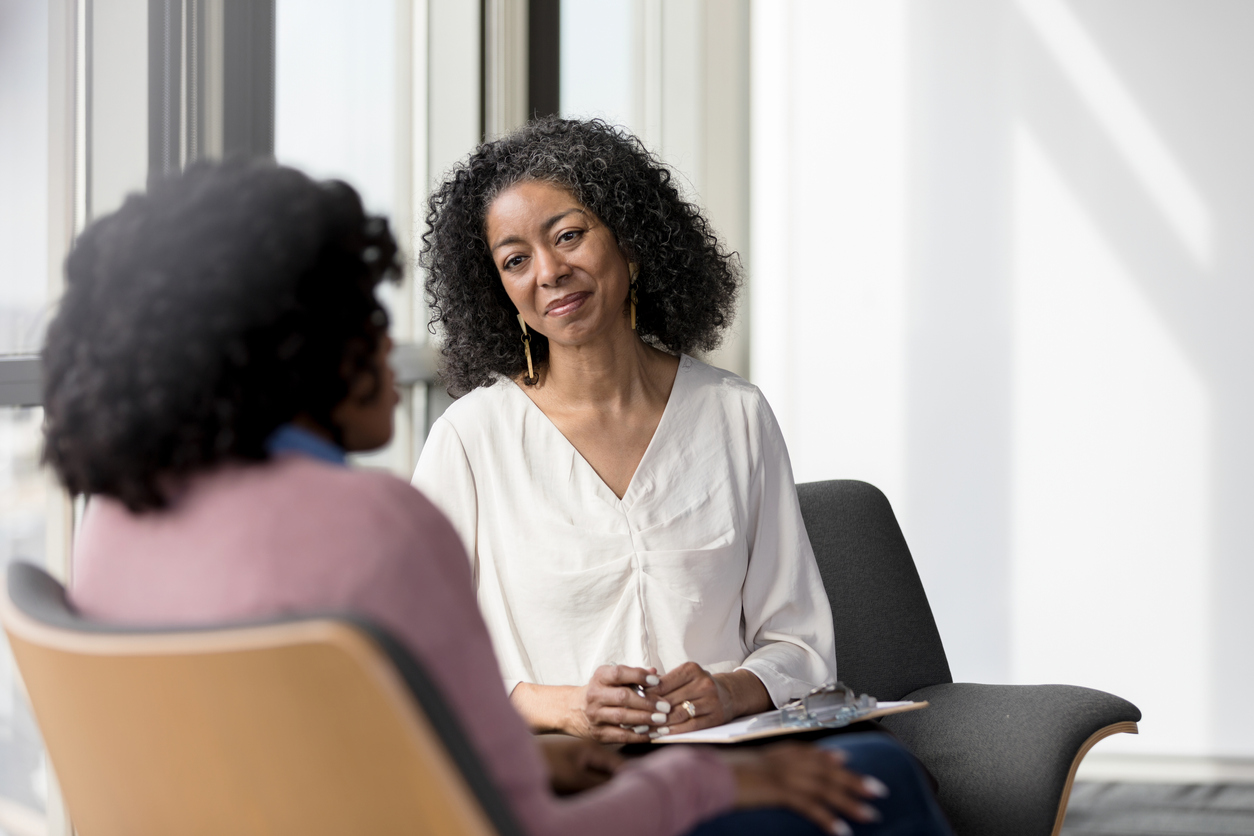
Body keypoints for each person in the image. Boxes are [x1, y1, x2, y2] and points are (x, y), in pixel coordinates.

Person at [42, 160, 952, 836]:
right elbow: (508, 815)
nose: (396, 354)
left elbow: (398, 739)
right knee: (875, 779)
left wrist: (565, 749)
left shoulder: (117, 525)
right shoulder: (382, 521)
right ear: (291, 346)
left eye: (568, 236)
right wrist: (717, 784)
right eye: (366, 317)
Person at [413, 117, 835, 744]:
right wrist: (563, 707)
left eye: (571, 235)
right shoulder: (470, 441)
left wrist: (729, 691)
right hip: (565, 775)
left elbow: (798, 643)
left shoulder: (735, 416)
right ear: (498, 289)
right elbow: (417, 659)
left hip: (730, 760)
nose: (550, 271)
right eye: (516, 259)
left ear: (632, 244)